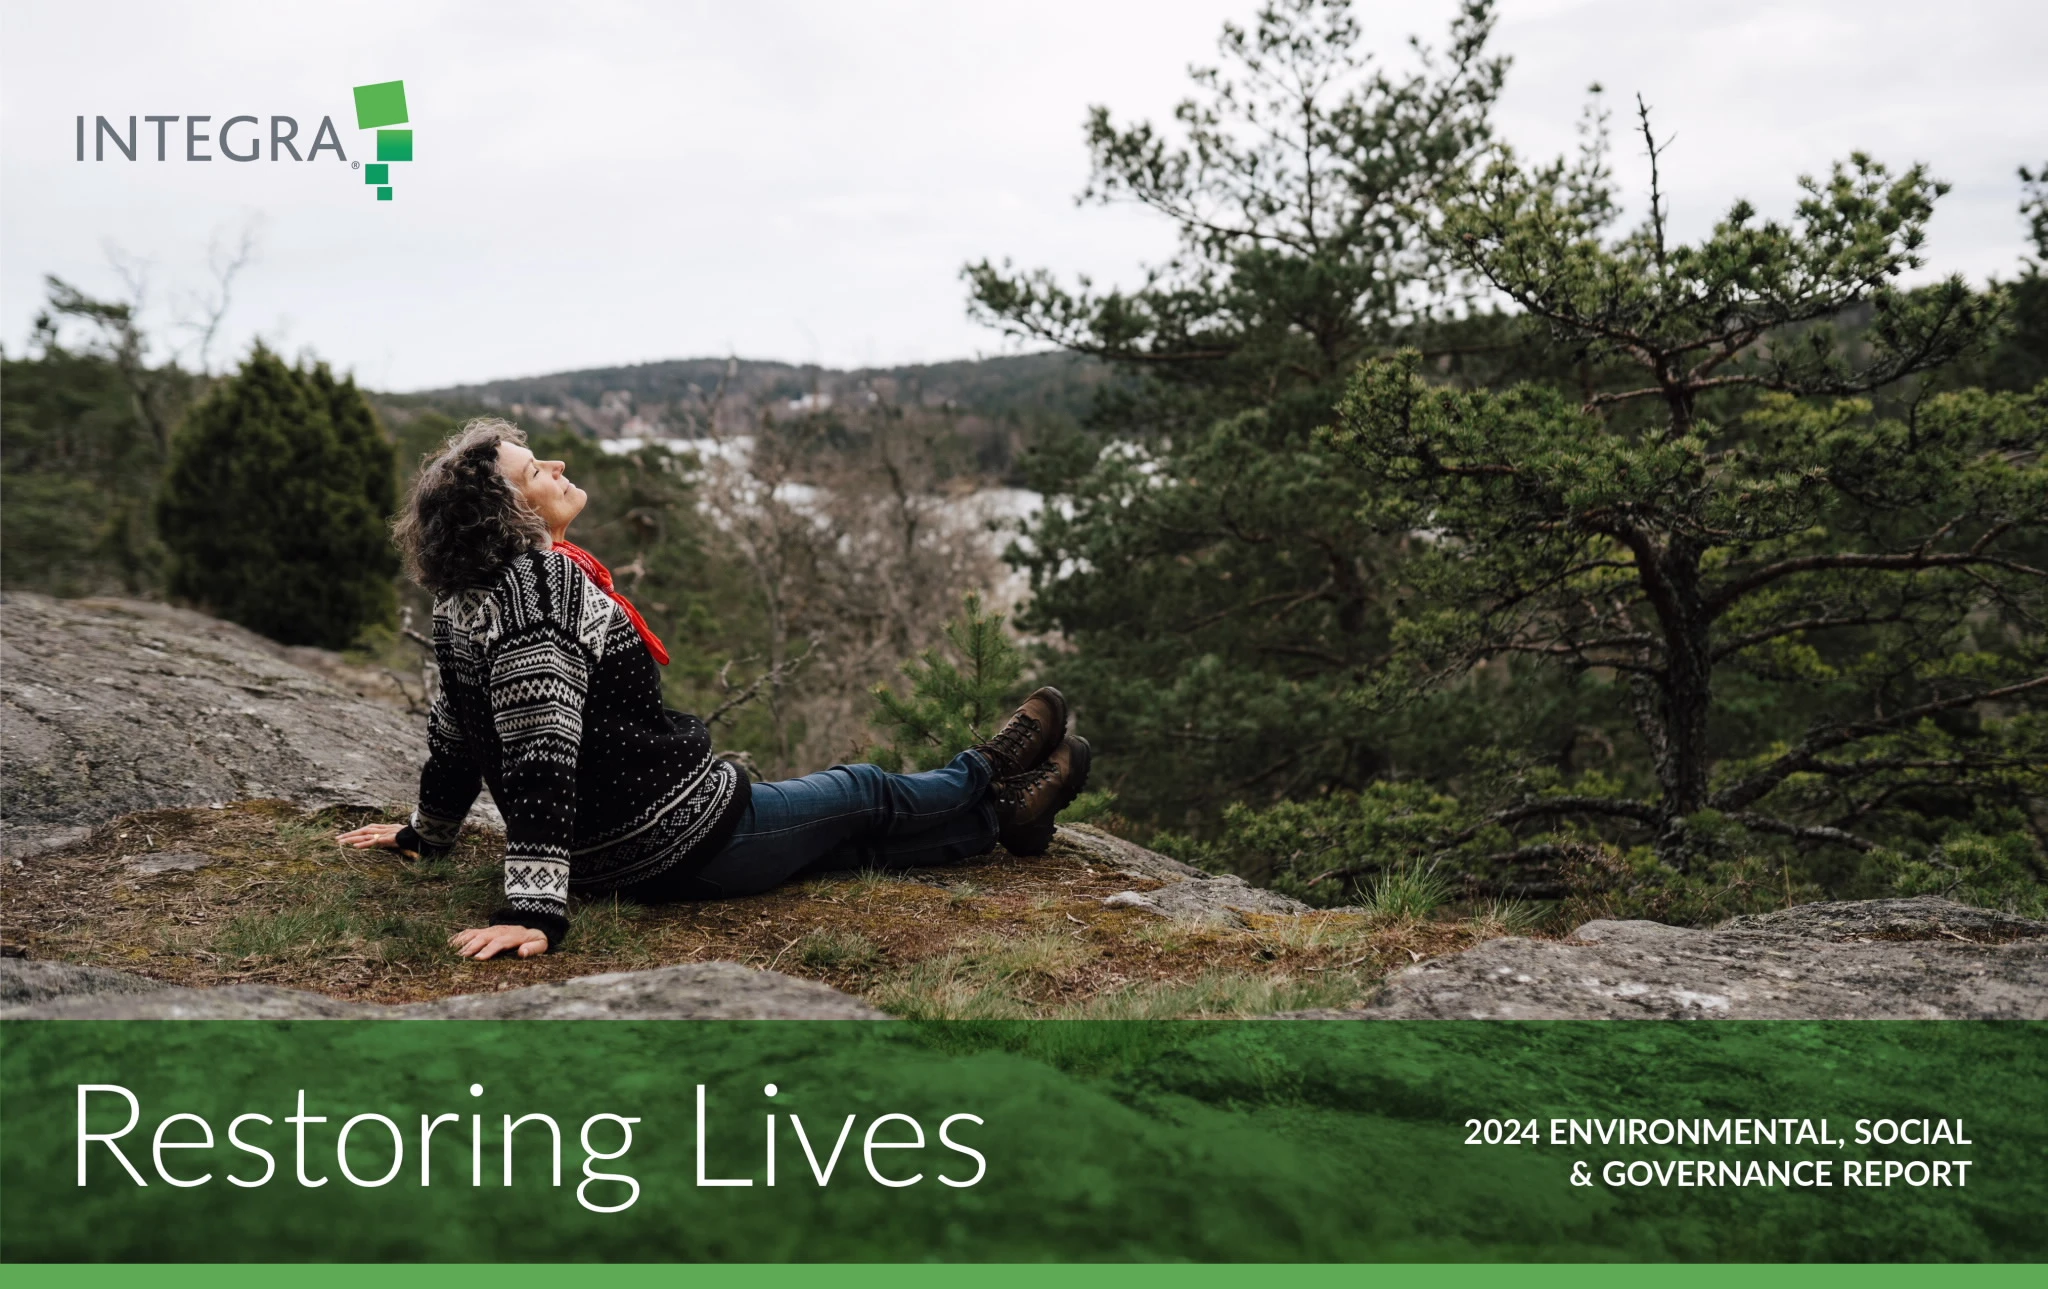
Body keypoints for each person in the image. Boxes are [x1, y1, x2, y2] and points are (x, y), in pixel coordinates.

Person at [336, 417, 1091, 961]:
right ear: (509, 514)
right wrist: (534, 908)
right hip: (669, 840)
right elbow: (538, 752)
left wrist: (423, 835)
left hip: (625, 845)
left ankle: (1003, 818)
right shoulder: (541, 588)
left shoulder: (465, 599)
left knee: (850, 846)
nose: (557, 469)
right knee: (862, 790)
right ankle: (988, 767)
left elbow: (455, 737)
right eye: (536, 474)